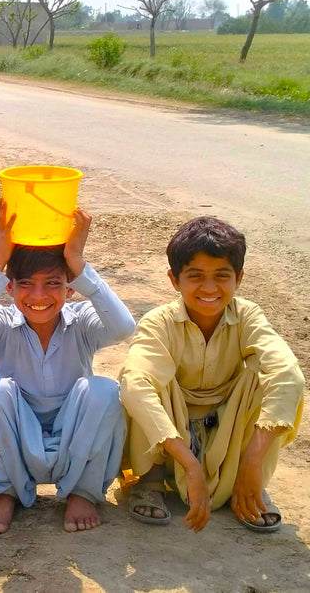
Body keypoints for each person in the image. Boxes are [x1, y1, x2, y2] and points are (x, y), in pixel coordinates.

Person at [0, 199, 136, 533]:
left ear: (70, 288)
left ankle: (82, 491)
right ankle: (4, 490)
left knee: (104, 390)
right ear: (9, 288)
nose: (39, 295)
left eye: (53, 283)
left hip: (74, 445)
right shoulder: (2, 324)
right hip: (15, 448)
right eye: (26, 283)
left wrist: (78, 264)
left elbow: (124, 328)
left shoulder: (81, 323)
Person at [120, 216, 303, 533]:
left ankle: (251, 485)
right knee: (140, 377)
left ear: (239, 278)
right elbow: (135, 385)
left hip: (222, 425)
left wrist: (252, 460)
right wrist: (188, 464)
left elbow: (288, 374)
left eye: (221, 276)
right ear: (174, 280)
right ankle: (150, 480)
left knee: (271, 373)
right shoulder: (158, 322)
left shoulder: (247, 315)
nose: (209, 288)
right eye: (195, 276)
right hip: (173, 429)